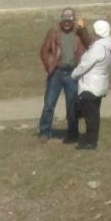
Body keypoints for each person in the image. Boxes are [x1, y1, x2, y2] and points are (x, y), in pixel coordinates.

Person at [36, 8, 93, 141]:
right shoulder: (54, 32)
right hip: (57, 73)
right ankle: (45, 131)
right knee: (49, 103)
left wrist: (83, 29)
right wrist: (50, 65)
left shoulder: (79, 32)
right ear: (61, 20)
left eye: (69, 20)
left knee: (72, 105)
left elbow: (89, 44)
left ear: (73, 20)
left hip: (73, 73)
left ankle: (73, 133)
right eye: (64, 20)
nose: (66, 23)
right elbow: (44, 51)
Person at [67, 20, 111, 150]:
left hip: (91, 85)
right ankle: (90, 139)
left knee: (90, 115)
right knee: (93, 113)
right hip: (99, 83)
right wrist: (83, 29)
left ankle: (90, 141)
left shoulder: (98, 48)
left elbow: (85, 64)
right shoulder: (108, 43)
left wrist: (74, 74)